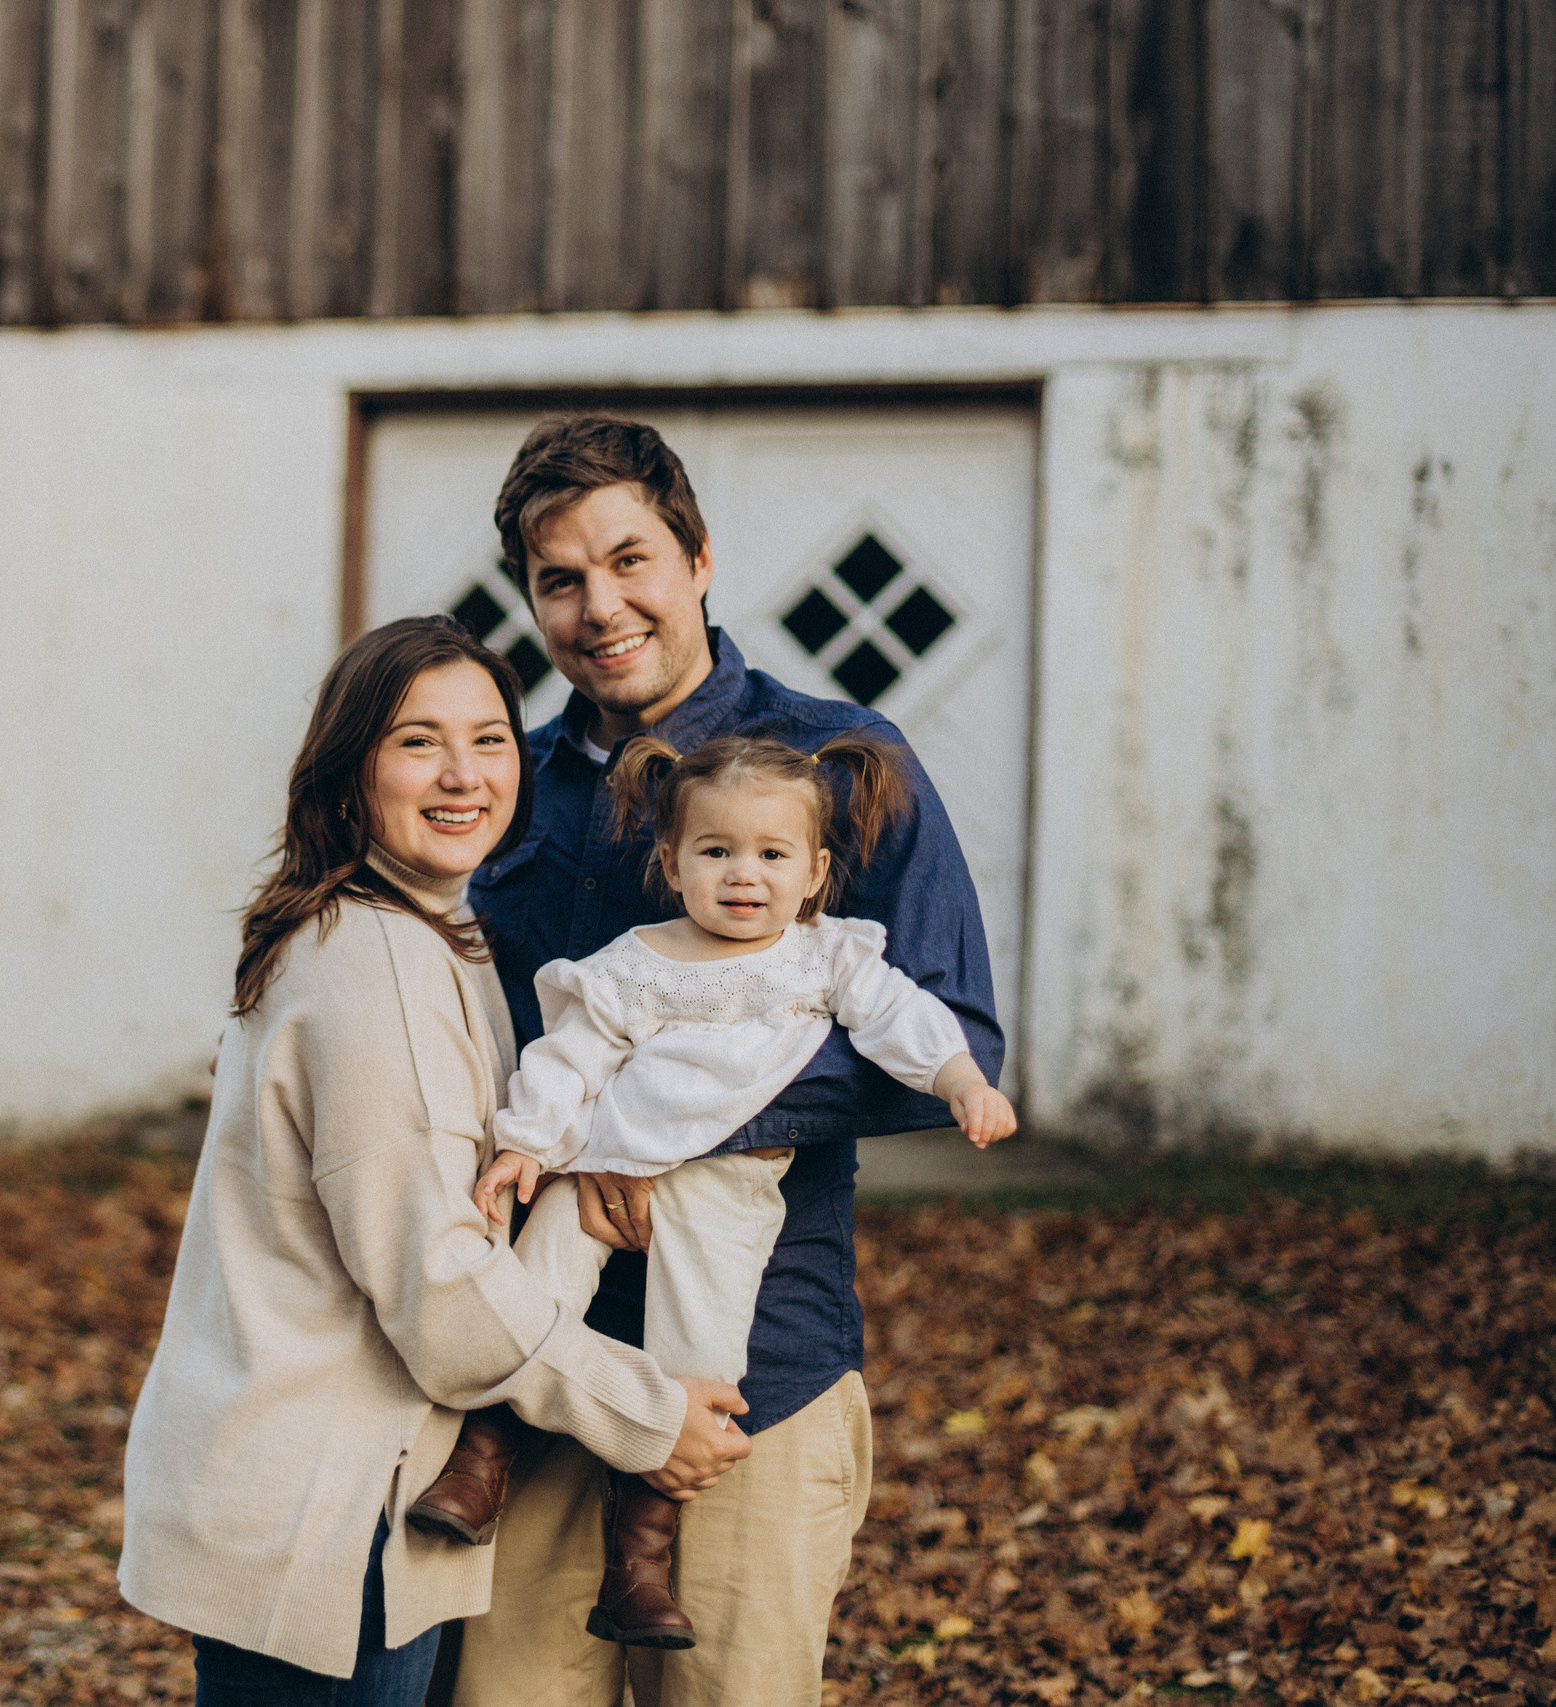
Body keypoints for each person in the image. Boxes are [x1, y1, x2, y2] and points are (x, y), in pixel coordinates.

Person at [447, 417, 1005, 1707]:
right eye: (559, 579)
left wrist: (662, 1125)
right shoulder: (507, 786)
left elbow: (953, 1033)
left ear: (698, 558)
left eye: (630, 559)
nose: (600, 606)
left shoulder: (833, 764)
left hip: (762, 1365)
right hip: (545, 1363)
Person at [119, 616, 754, 1707]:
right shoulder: (375, 964)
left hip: (304, 1492)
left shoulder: (401, 933)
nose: (463, 774)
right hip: (330, 1514)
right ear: (348, 769)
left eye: (490, 739)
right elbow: (438, 1287)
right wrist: (646, 1418)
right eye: (418, 742)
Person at [409, 730, 1016, 1651]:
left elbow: (904, 1016)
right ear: (670, 861)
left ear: (815, 872)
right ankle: (482, 1458)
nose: (745, 874)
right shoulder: (637, 960)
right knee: (535, 1294)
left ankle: (639, 1560)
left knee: (703, 1353)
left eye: (772, 855)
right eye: (717, 851)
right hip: (599, 1168)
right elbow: (567, 1055)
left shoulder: (826, 958)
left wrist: (960, 1078)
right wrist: (526, 1144)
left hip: (726, 1186)